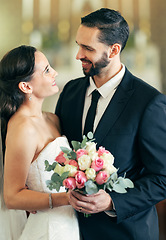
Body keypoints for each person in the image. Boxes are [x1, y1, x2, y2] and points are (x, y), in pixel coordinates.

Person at [55, 8, 166, 240]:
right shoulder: (70, 92)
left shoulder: (149, 103)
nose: (78, 55)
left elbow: (162, 177)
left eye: (88, 48)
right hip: (70, 229)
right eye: (78, 45)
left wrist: (113, 201)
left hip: (126, 231)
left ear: (114, 50)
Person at [0, 45, 80, 240]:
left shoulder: (52, 119)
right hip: (47, 230)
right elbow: (12, 196)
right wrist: (66, 198)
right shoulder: (22, 127)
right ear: (26, 86)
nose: (55, 72)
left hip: (69, 225)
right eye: (46, 70)